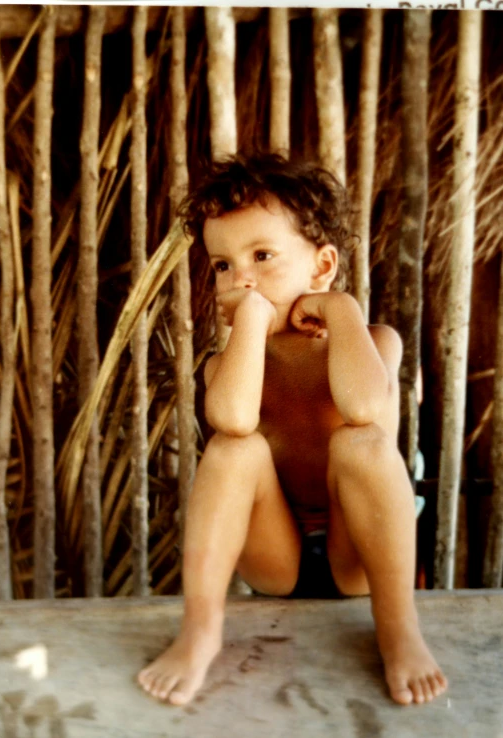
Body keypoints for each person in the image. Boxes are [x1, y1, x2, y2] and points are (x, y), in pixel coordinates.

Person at [137, 153, 448, 707]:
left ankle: (399, 631)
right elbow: (232, 420)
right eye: (223, 265)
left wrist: (342, 308)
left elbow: (363, 407)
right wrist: (253, 322)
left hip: (358, 556)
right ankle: (201, 632)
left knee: (363, 442)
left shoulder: (376, 343)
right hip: (275, 561)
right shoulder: (222, 367)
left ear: (322, 265)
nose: (242, 278)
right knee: (236, 450)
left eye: (262, 255)